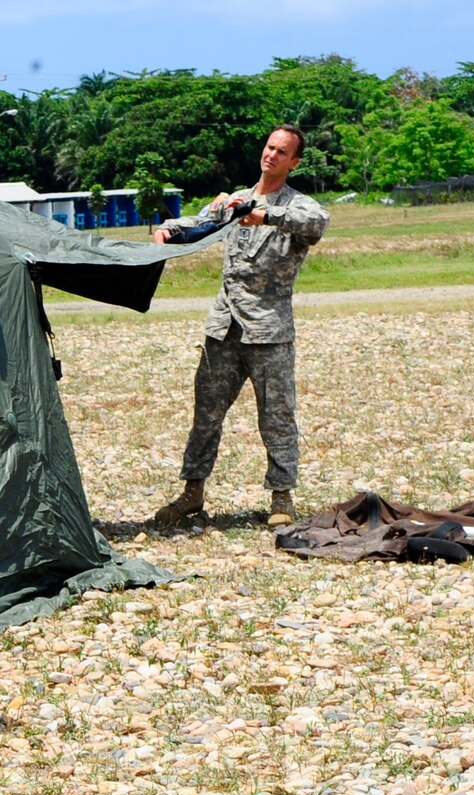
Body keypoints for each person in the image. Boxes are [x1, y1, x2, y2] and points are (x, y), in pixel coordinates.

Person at [150, 125, 329, 529]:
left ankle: (282, 496)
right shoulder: (234, 201)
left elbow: (316, 224)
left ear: (293, 162)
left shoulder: (297, 206)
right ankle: (192, 492)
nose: (272, 155)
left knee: (277, 416)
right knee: (206, 415)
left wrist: (264, 215)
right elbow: (197, 223)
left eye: (282, 152)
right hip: (224, 328)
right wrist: (168, 230)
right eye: (269, 147)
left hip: (268, 331)